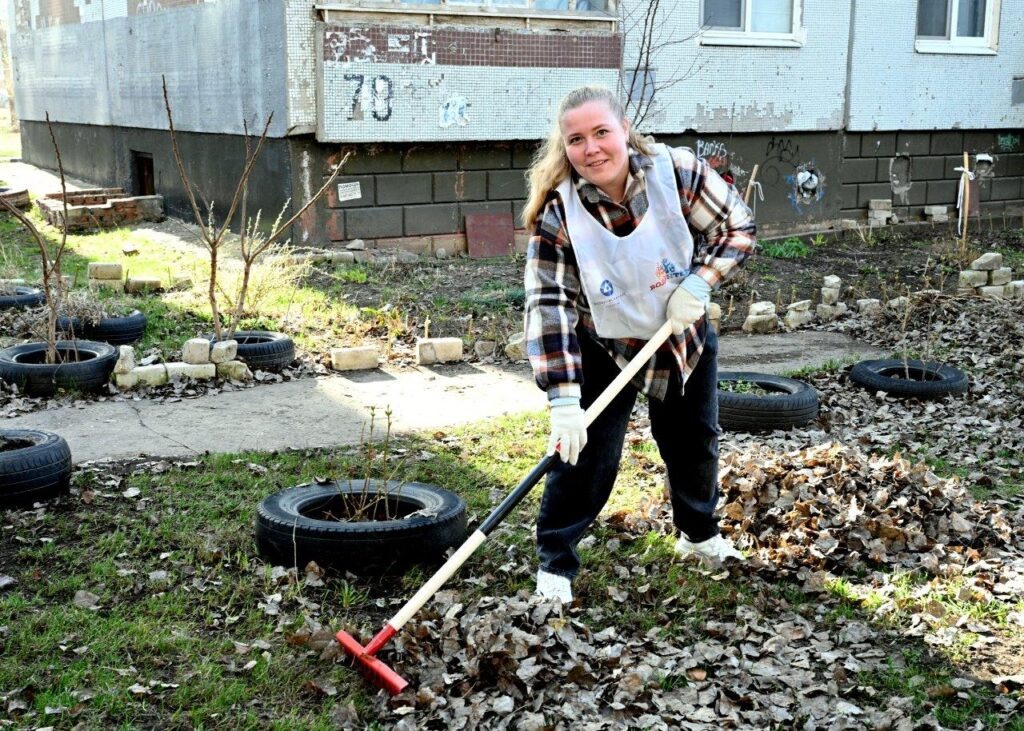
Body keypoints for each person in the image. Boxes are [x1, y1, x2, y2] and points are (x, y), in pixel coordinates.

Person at [522, 86, 756, 603]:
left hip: (679, 334)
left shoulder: (678, 173)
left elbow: (736, 225)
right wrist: (563, 398)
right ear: (566, 148)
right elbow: (548, 304)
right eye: (577, 139)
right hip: (603, 344)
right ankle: (556, 562)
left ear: (624, 129)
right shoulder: (559, 212)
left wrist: (700, 282)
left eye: (602, 132)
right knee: (586, 454)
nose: (592, 149)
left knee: (694, 439)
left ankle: (698, 536)